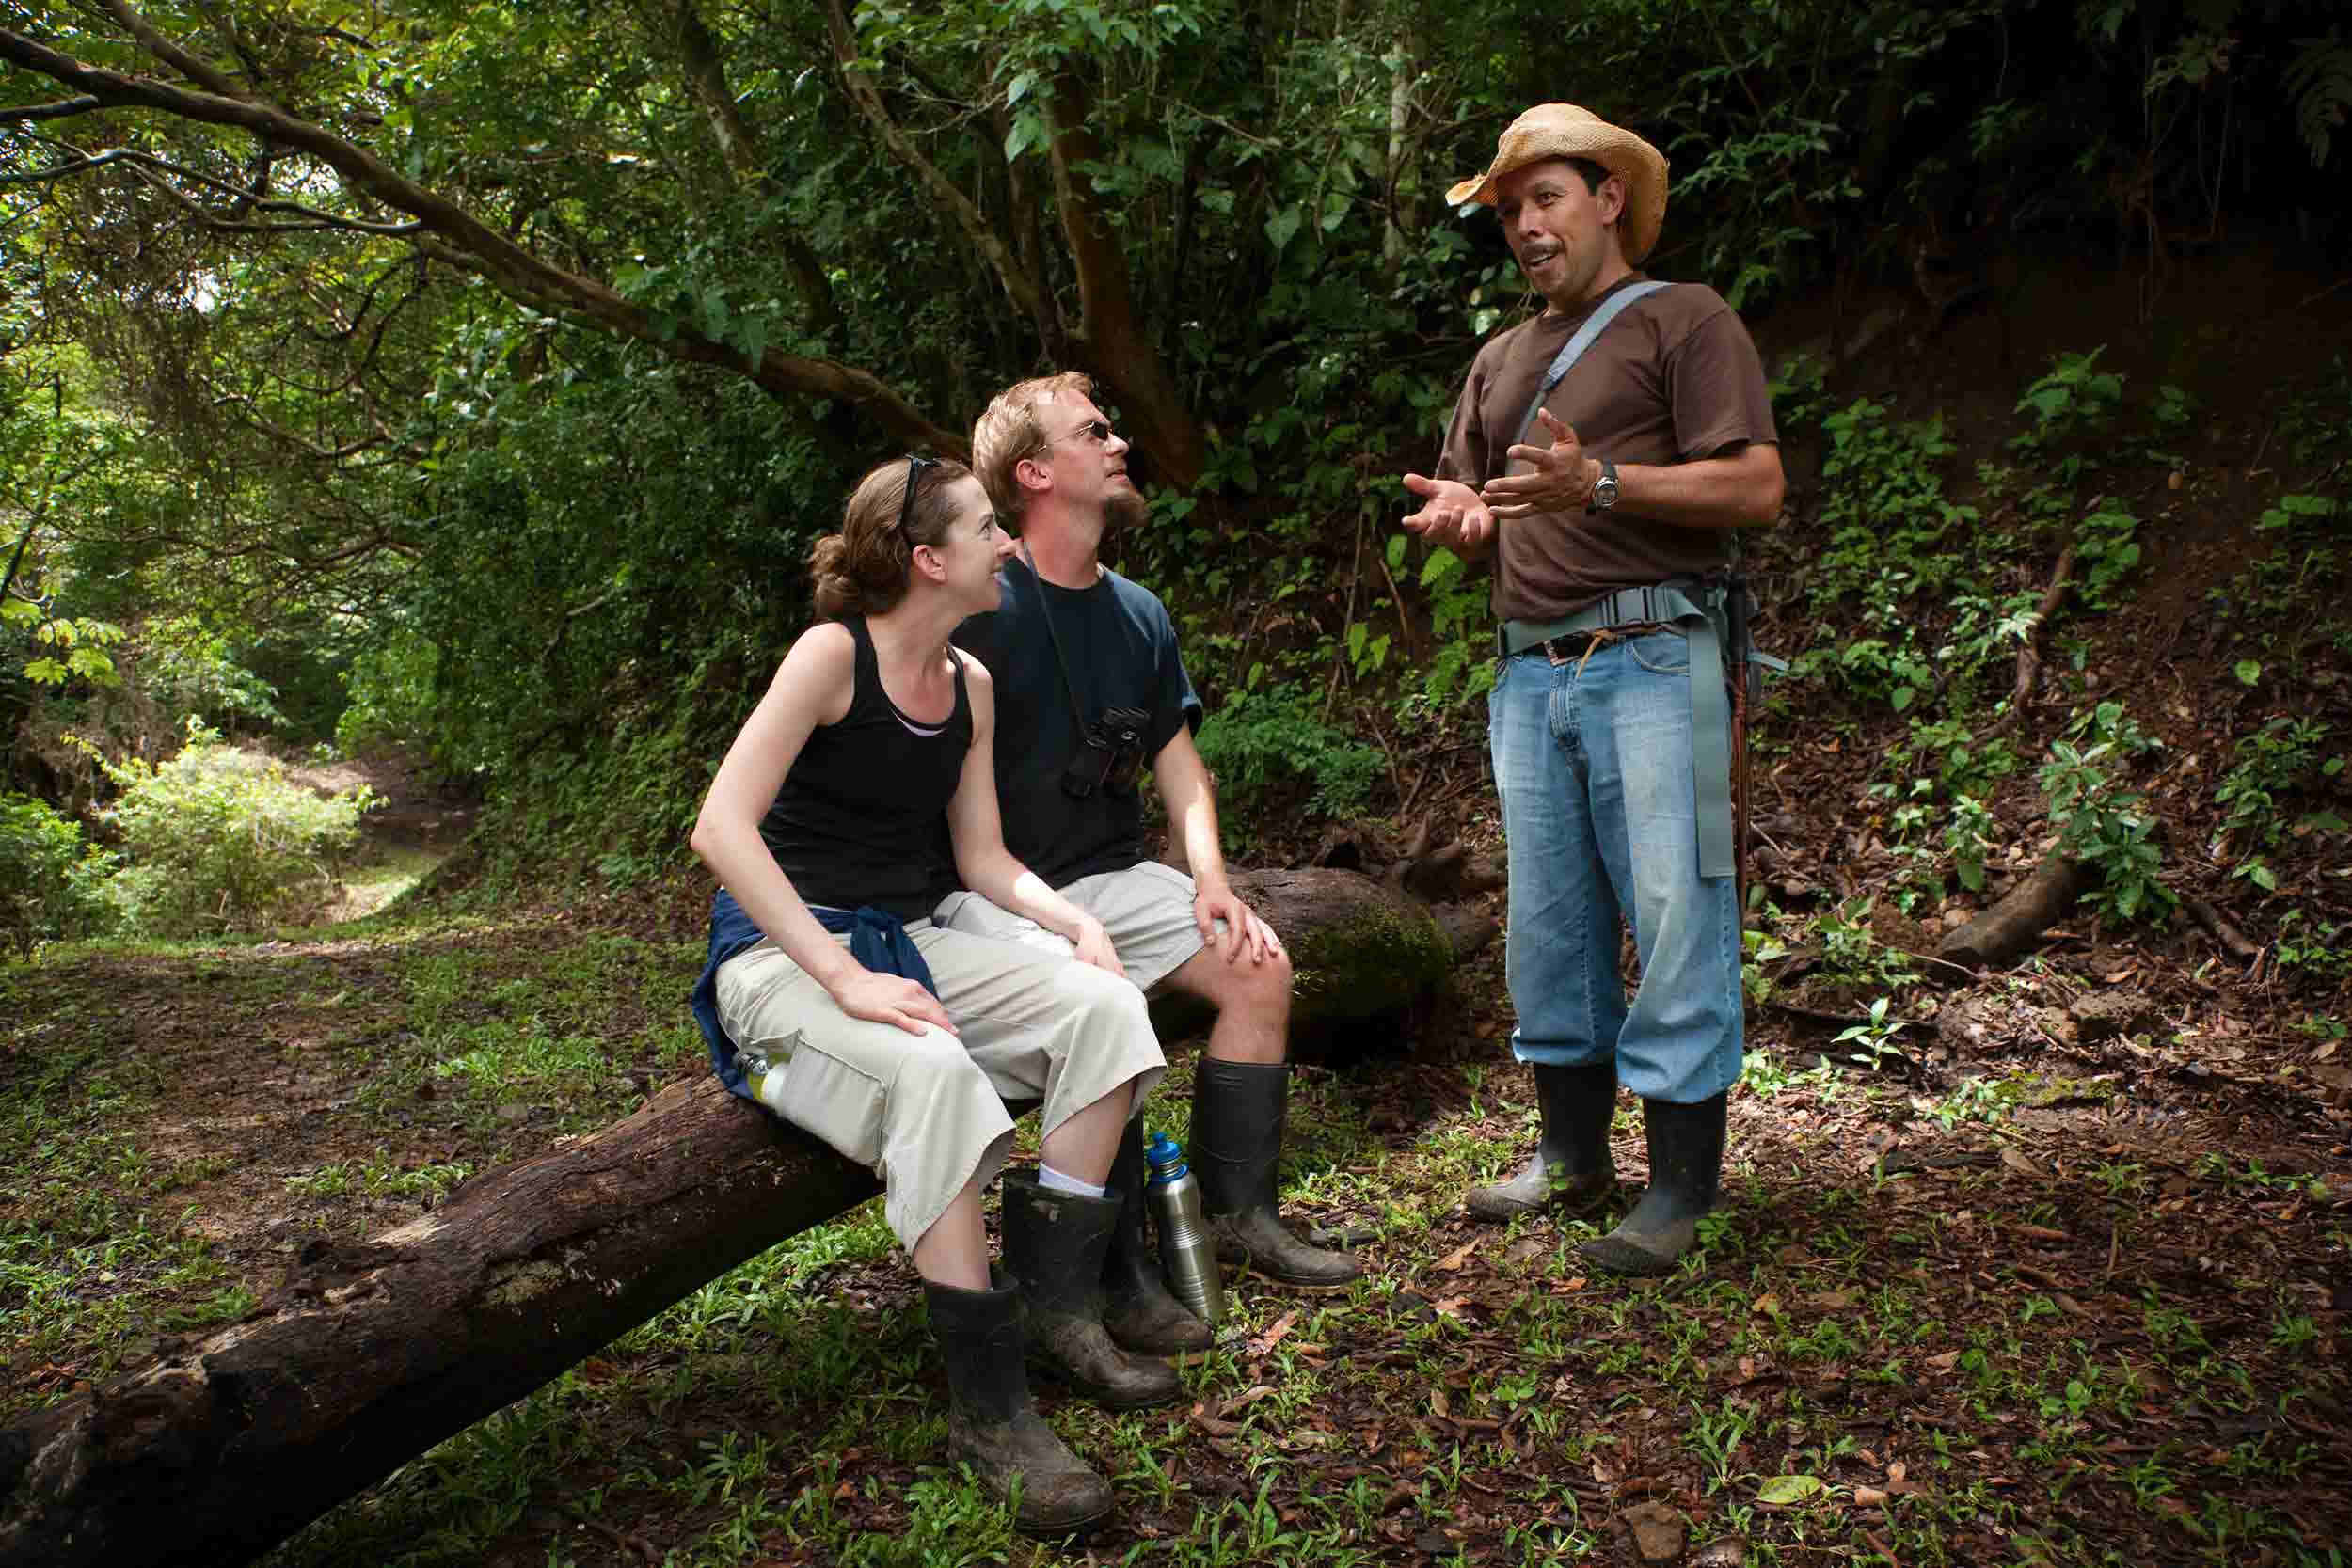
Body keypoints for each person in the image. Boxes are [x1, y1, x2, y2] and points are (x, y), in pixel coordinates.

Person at [688, 455, 1175, 1537]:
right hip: (783, 958)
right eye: (988, 527)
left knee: (1104, 1006)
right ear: (925, 557)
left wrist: (1071, 920)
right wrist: (841, 973)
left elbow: (984, 855)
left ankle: (1057, 1305)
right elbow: (720, 827)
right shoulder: (829, 656)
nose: (1009, 543)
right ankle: (990, 1411)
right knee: (934, 1070)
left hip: (911, 933)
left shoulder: (972, 684)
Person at [1401, 103, 1784, 1275]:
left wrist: (1600, 481)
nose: (1524, 225)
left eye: (1545, 197)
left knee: (1676, 910)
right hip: (1528, 671)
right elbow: (1474, 504)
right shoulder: (1496, 359)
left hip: (1653, 654)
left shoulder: (1686, 318)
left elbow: (1757, 486)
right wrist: (1461, 518)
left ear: (1608, 198)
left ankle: (1679, 1184)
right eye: (1510, 210)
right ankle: (1571, 1154)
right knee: (1550, 922)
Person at [935, 373, 1362, 1325]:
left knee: (1258, 967)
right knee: (1104, 1007)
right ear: (1034, 473)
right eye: (1093, 431)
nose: (1119, 441)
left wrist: (1208, 877)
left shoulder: (1138, 612)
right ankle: (1109, 1267)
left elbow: (1181, 768)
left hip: (1116, 871)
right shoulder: (979, 606)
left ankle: (1242, 1214)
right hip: (1003, 891)